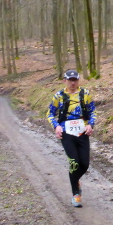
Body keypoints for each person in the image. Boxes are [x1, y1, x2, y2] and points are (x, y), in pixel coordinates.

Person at [47, 69, 97, 207]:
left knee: (84, 164)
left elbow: (93, 111)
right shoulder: (59, 96)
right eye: (70, 80)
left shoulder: (85, 94)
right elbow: (50, 113)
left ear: (78, 80)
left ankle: (75, 180)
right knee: (74, 163)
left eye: (75, 80)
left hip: (82, 132)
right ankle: (76, 194)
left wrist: (90, 125)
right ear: (65, 81)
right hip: (66, 133)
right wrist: (56, 126)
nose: (73, 83)